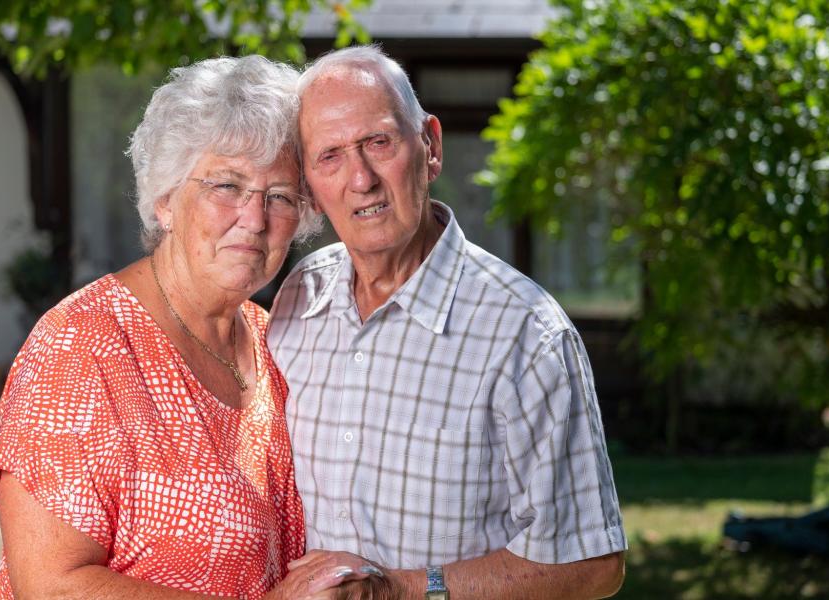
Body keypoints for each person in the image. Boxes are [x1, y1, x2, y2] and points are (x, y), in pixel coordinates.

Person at [268, 45, 628, 599]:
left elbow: (592, 563)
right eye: (330, 156)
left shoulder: (526, 334)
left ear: (430, 146)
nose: (360, 179)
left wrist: (402, 590)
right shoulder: (299, 296)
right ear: (311, 184)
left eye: (378, 143)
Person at [0, 56, 320, 599]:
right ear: (165, 199)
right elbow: (52, 586)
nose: (254, 219)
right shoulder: (81, 346)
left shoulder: (273, 335)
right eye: (227, 185)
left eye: (279, 196)